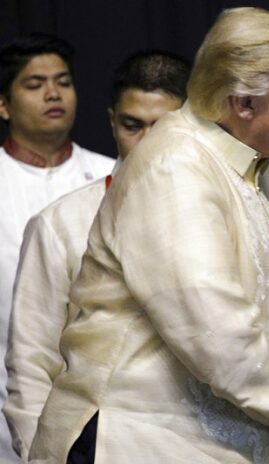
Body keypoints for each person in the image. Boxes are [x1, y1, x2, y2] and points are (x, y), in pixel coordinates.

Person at [28, 7, 269, 463]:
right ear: (244, 103)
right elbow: (215, 330)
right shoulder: (175, 166)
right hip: (134, 444)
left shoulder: (240, 161)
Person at [2, 50, 190, 460]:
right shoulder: (63, 223)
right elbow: (33, 362)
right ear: (111, 122)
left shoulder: (229, 209)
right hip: (103, 447)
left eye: (163, 127)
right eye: (132, 126)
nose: (146, 143)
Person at [0, 33, 114, 462]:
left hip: (97, 409)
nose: (53, 93)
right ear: (3, 105)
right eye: (34, 84)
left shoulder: (112, 177)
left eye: (63, 81)